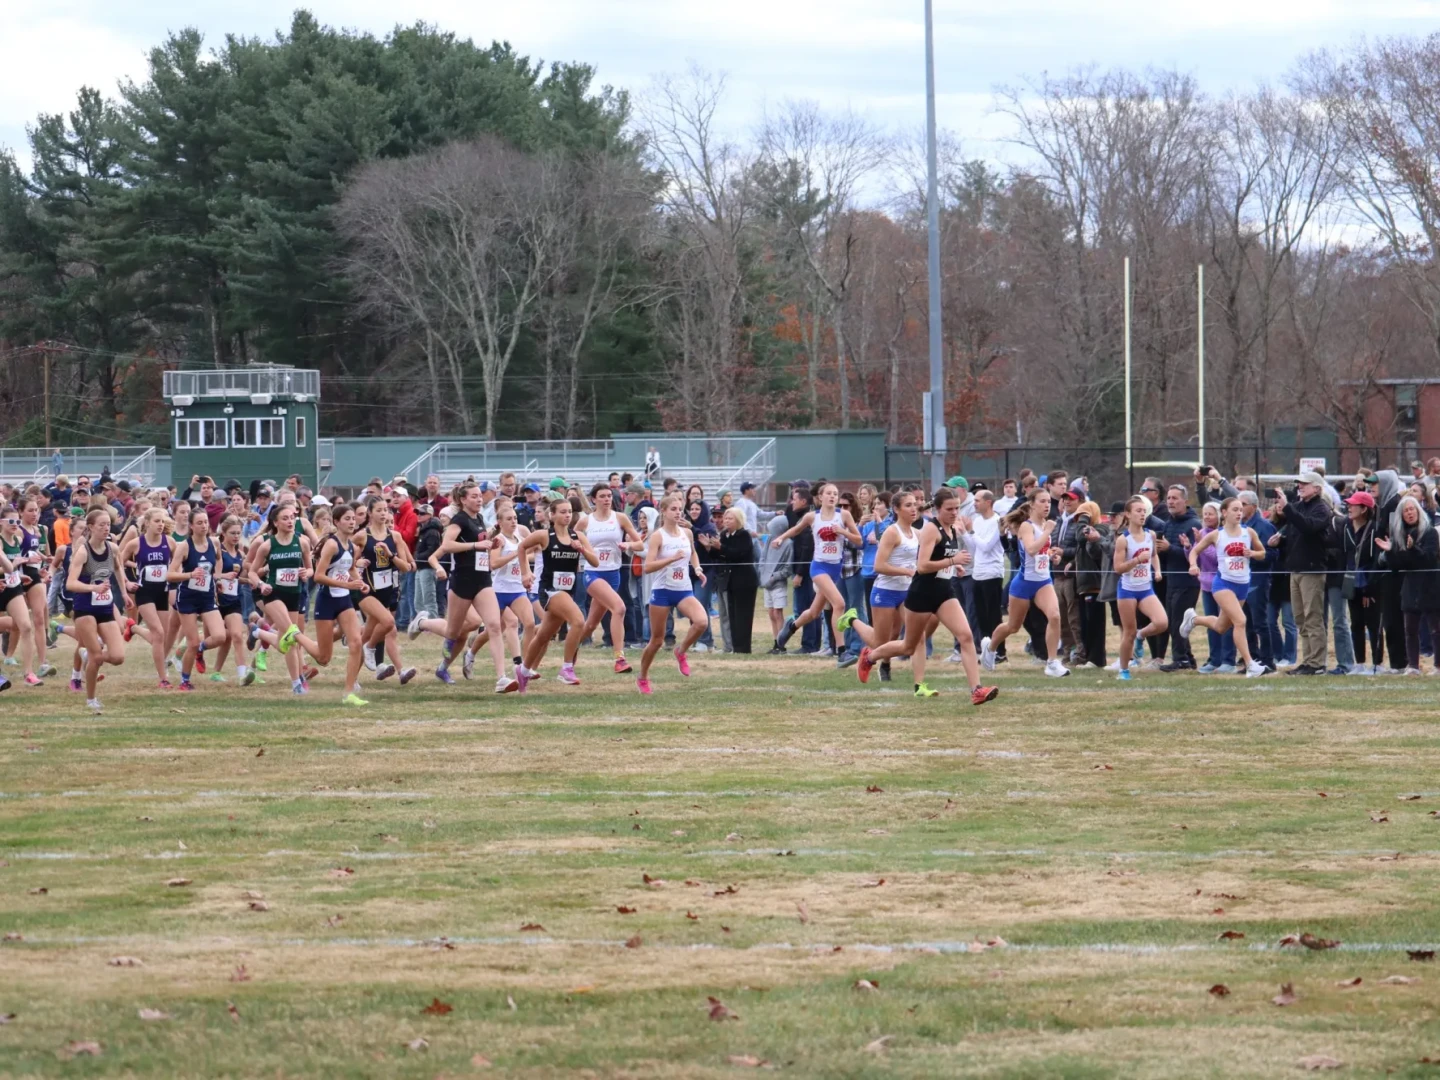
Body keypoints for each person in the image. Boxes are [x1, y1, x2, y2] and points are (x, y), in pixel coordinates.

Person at [857, 487, 998, 704]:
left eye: (957, 508)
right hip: (921, 594)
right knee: (908, 646)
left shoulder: (952, 529)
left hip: (944, 592)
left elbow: (942, 559)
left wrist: (953, 568)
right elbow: (922, 566)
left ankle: (976, 690)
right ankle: (870, 657)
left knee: (966, 636)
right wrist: (953, 561)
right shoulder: (931, 529)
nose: (954, 513)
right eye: (949, 509)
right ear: (938, 509)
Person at [435, 483, 517, 693]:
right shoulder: (459, 519)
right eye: (474, 496)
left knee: (494, 625)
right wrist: (475, 546)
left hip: (482, 579)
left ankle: (502, 678)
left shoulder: (479, 519)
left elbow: (480, 540)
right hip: (462, 581)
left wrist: (492, 540)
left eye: (480, 496)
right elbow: (447, 545)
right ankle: (441, 662)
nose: (479, 500)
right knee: (453, 633)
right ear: (463, 500)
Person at [770, 483, 862, 667]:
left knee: (813, 613)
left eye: (835, 494)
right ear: (820, 497)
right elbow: (796, 530)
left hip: (836, 568)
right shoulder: (812, 516)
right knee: (840, 603)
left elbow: (859, 540)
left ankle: (792, 626)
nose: (832, 496)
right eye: (828, 493)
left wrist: (842, 531)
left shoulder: (843, 515)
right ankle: (842, 652)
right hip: (819, 568)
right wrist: (780, 538)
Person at [515, 496, 599, 690]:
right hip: (549, 590)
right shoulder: (545, 535)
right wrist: (525, 572)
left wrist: (582, 551)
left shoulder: (578, 536)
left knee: (544, 635)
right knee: (578, 621)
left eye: (569, 512)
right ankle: (567, 668)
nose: (567, 515)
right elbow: (522, 547)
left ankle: (524, 670)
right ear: (551, 515)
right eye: (562, 512)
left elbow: (595, 562)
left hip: (566, 591)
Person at [982, 491, 1069, 678]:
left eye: (1048, 501)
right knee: (1013, 627)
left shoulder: (1046, 524)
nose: (1047, 505)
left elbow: (1041, 552)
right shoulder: (1026, 527)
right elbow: (1030, 550)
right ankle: (989, 648)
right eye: (1042, 501)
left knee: (1054, 616)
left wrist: (1052, 556)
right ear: (1032, 504)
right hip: (1023, 583)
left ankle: (1052, 662)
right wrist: (1047, 533)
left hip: (1043, 581)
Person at [637, 494, 709, 695]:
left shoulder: (687, 533)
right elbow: (648, 567)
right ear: (664, 511)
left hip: (683, 589)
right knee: (657, 640)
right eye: (674, 509)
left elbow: (692, 553)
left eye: (680, 509)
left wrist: (697, 569)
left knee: (702, 622)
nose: (678, 513)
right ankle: (642, 676)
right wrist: (670, 559)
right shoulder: (658, 536)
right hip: (662, 590)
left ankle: (681, 651)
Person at [848, 490, 921, 685]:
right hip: (885, 592)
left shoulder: (916, 533)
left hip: (906, 592)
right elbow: (879, 566)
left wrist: (952, 562)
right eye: (908, 505)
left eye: (915, 504)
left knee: (910, 637)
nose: (914, 508)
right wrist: (906, 572)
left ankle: (906, 677)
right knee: (880, 643)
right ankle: (853, 619)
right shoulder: (891, 532)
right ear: (896, 509)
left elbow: (930, 552)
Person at [1268, 471, 1333, 675]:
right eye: (1299, 484)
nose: (1300, 487)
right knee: (1300, 618)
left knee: (1313, 617)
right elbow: (1295, 534)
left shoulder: (1321, 509)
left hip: (1312, 570)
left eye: (1305, 484)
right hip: (1295, 569)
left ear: (1317, 487)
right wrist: (1281, 541)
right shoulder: (1298, 507)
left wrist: (1287, 507)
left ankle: (1318, 663)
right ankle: (1307, 660)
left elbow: (1308, 528)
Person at [66, 508, 128, 711]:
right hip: (85, 607)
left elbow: (118, 568)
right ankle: (91, 699)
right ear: (90, 527)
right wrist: (94, 587)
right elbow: (70, 583)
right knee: (97, 657)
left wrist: (125, 592)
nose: (105, 528)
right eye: (101, 524)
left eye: (108, 524)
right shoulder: (83, 551)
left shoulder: (113, 548)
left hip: (105, 607)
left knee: (118, 657)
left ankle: (86, 654)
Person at [577, 483, 644, 673]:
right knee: (619, 607)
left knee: (590, 624)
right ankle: (619, 659)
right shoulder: (585, 522)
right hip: (593, 573)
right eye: (602, 496)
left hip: (613, 574)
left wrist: (628, 544)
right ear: (594, 499)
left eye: (609, 496)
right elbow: (570, 541)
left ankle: (571, 652)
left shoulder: (620, 518)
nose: (607, 499)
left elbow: (639, 544)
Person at [1376, 495, 1440, 675]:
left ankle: (1438, 665)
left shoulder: (1429, 532)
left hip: (1430, 585)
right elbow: (1399, 566)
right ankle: (1413, 666)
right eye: (1405, 511)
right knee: (1410, 629)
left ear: (1418, 511)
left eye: (1412, 509)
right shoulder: (1400, 534)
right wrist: (1390, 552)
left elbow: (1428, 559)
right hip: (1410, 586)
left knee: (1436, 629)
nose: (1409, 513)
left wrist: (1413, 549)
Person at [167, 507, 229, 691]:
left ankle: (200, 649)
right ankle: (185, 681)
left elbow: (218, 560)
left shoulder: (215, 543)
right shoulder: (185, 546)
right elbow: (170, 575)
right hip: (187, 598)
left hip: (207, 597)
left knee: (220, 636)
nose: (204, 526)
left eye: (206, 522)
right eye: (199, 523)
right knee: (191, 643)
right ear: (191, 526)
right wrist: (190, 575)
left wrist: (215, 577)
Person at [1109, 496, 1169, 681]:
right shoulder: (1123, 540)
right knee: (1128, 632)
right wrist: (1136, 560)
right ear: (1128, 514)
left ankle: (1141, 636)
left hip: (1145, 588)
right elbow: (1118, 568)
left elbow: (1153, 555)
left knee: (1162, 622)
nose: (1142, 515)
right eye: (1138, 511)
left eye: (1144, 511)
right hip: (1127, 589)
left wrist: (1157, 570)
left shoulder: (1150, 535)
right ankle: (1124, 670)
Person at [1341, 490, 1383, 674]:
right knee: (1356, 623)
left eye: (1353, 504)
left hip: (1369, 582)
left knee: (1373, 623)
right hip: (1351, 581)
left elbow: (1376, 561)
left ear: (1364, 508)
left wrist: (1369, 589)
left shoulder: (1375, 529)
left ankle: (1377, 663)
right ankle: (1359, 663)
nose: (1349, 507)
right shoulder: (1347, 527)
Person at [1193, 502, 1236, 674]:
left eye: (1210, 513)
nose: (1206, 517)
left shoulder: (1222, 535)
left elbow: (1217, 558)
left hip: (1222, 584)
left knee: (1225, 623)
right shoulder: (1202, 533)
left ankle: (1228, 660)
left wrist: (1199, 546)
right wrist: (1188, 547)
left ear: (1219, 515)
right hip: (1206, 584)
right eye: (1204, 513)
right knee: (1212, 623)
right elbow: (1197, 559)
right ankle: (1214, 659)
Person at [1071, 499, 1112, 669]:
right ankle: (1089, 657)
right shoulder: (1087, 528)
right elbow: (1080, 548)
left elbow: (1081, 537)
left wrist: (1083, 518)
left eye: (1084, 515)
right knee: (1085, 623)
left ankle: (1096, 659)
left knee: (1095, 623)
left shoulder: (1101, 529)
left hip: (1094, 583)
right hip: (1083, 584)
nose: (1080, 519)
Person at [718, 507, 759, 653]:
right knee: (732, 616)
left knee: (743, 615)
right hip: (730, 581)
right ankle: (734, 647)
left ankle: (743, 648)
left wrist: (720, 547)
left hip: (745, 580)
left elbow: (738, 554)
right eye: (726, 518)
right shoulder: (724, 535)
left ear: (738, 520)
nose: (726, 521)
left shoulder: (744, 535)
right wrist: (711, 548)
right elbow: (722, 556)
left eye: (730, 518)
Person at [759, 514, 792, 651]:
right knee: (771, 613)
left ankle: (781, 643)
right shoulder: (770, 539)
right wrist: (763, 574)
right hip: (767, 582)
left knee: (778, 613)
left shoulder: (788, 543)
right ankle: (775, 642)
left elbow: (788, 568)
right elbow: (763, 557)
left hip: (778, 583)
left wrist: (775, 576)